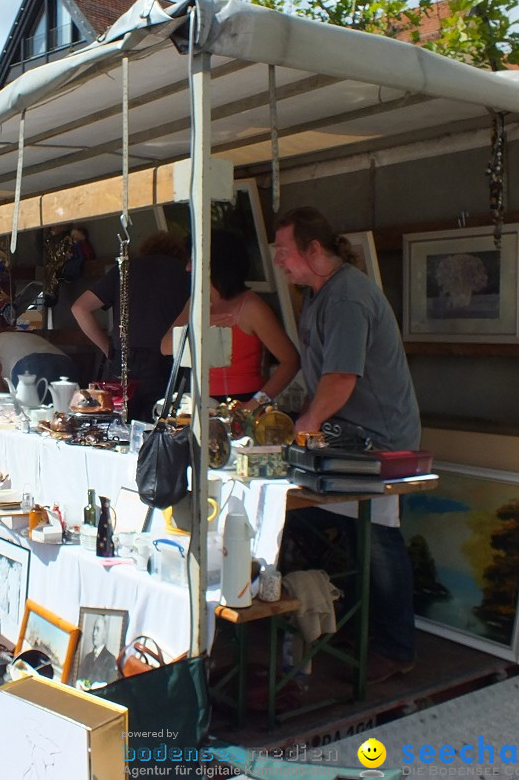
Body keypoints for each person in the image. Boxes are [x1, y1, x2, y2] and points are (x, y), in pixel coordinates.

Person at [272, 206, 420, 684]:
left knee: (377, 540)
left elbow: (340, 377)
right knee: (307, 520)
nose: (279, 261)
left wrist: (304, 424)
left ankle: (398, 649)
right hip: (349, 436)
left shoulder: (347, 297)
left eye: (285, 251)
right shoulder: (319, 294)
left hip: (380, 442)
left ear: (315, 250)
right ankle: (320, 618)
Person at [160, 229, 300, 409]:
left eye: (192, 261)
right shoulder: (196, 302)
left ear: (213, 264)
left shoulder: (251, 306)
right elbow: (165, 347)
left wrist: (253, 406)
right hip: (201, 404)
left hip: (244, 404)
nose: (187, 268)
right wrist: (199, 325)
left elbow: (290, 361)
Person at [72, 231, 190, 421]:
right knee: (160, 426)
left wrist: (108, 349)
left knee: (119, 428)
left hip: (123, 358)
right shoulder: (184, 273)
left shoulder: (125, 270)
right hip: (165, 360)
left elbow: (80, 308)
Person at [0, 310, 76, 399]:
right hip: (65, 362)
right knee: (64, 410)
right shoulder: (27, 336)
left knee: (32, 411)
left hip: (30, 366)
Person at [78, 616, 118, 685]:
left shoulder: (110, 659)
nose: (94, 634)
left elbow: (111, 686)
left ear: (104, 634)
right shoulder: (87, 657)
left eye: (98, 629)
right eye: (94, 629)